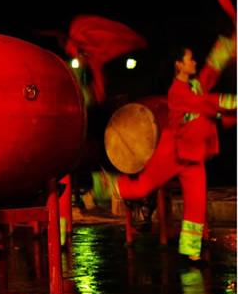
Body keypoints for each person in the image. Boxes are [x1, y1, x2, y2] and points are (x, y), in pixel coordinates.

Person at [92, 34, 236, 261]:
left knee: (197, 204)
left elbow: (210, 72)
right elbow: (205, 103)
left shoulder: (195, 87)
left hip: (193, 155)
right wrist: (232, 102)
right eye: (190, 59)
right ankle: (103, 185)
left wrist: (228, 46)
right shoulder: (177, 92)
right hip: (172, 152)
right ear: (179, 65)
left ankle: (191, 251)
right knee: (142, 188)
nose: (194, 62)